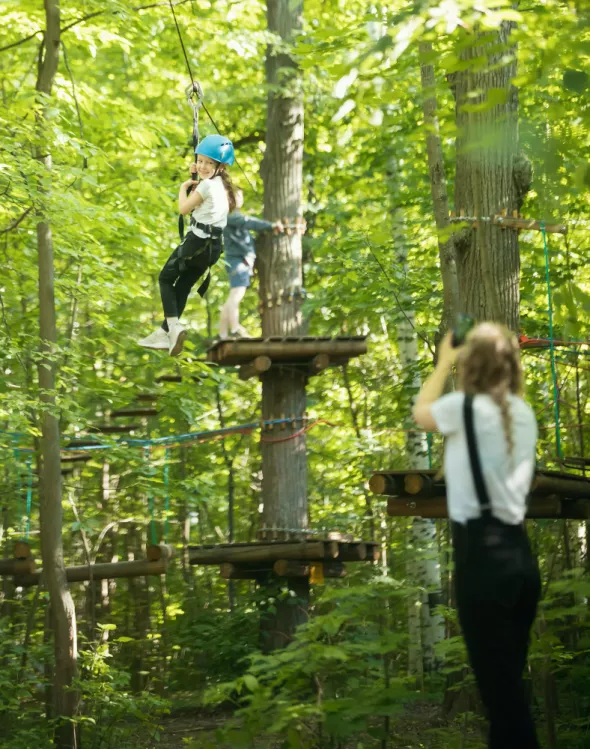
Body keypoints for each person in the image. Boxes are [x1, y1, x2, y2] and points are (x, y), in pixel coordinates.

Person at [413, 322, 541, 749]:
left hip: (481, 562)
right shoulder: (522, 413)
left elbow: (420, 412)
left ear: (473, 364)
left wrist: (445, 359)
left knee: (503, 703)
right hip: (521, 561)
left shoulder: (462, 408)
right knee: (506, 697)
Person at [138, 134, 236, 356]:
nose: (202, 166)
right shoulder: (221, 186)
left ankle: (173, 327)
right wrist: (199, 175)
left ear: (220, 166)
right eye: (200, 160)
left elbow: (184, 208)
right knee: (182, 286)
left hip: (196, 243)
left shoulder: (207, 186)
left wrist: (184, 186)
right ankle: (164, 333)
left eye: (209, 163)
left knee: (165, 278)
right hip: (212, 249)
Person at [218, 188, 283, 338]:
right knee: (236, 294)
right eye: (235, 196)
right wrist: (271, 226)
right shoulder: (230, 215)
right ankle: (234, 329)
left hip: (238, 260)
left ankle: (223, 333)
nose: (239, 199)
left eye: (240, 196)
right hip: (237, 261)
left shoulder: (231, 216)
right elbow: (248, 222)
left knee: (233, 295)